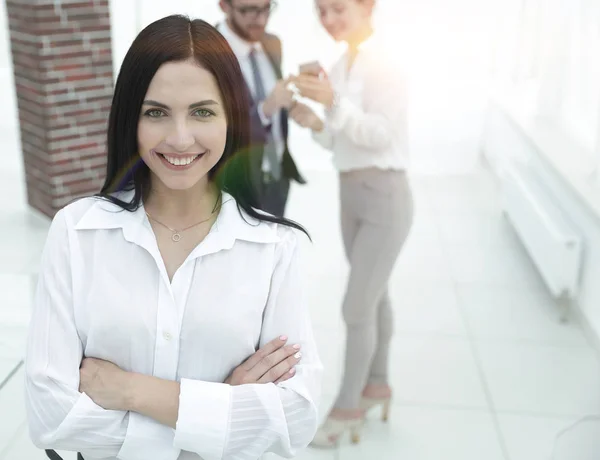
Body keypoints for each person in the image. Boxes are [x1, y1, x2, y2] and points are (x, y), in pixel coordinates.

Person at [25, 15, 322, 460]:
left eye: (202, 111)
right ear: (131, 117)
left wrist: (132, 391)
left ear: (231, 116)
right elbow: (51, 417)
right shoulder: (76, 231)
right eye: (156, 112)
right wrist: (220, 411)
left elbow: (297, 416)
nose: (180, 138)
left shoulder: (274, 248)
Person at [288, 0, 413, 447]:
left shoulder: (385, 63)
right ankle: (377, 384)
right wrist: (312, 120)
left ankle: (346, 408)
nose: (329, 20)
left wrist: (334, 102)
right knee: (375, 297)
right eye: (321, 11)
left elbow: (381, 135)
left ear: (367, 6)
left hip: (384, 198)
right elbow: (338, 136)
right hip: (352, 194)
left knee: (355, 307)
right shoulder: (342, 63)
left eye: (338, 9)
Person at [217, 0, 305, 217]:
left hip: (277, 176)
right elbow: (213, 125)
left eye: (266, 8)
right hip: (233, 182)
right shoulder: (206, 51)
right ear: (224, 6)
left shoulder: (273, 43)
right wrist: (265, 109)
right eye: (248, 10)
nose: (261, 18)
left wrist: (292, 105)